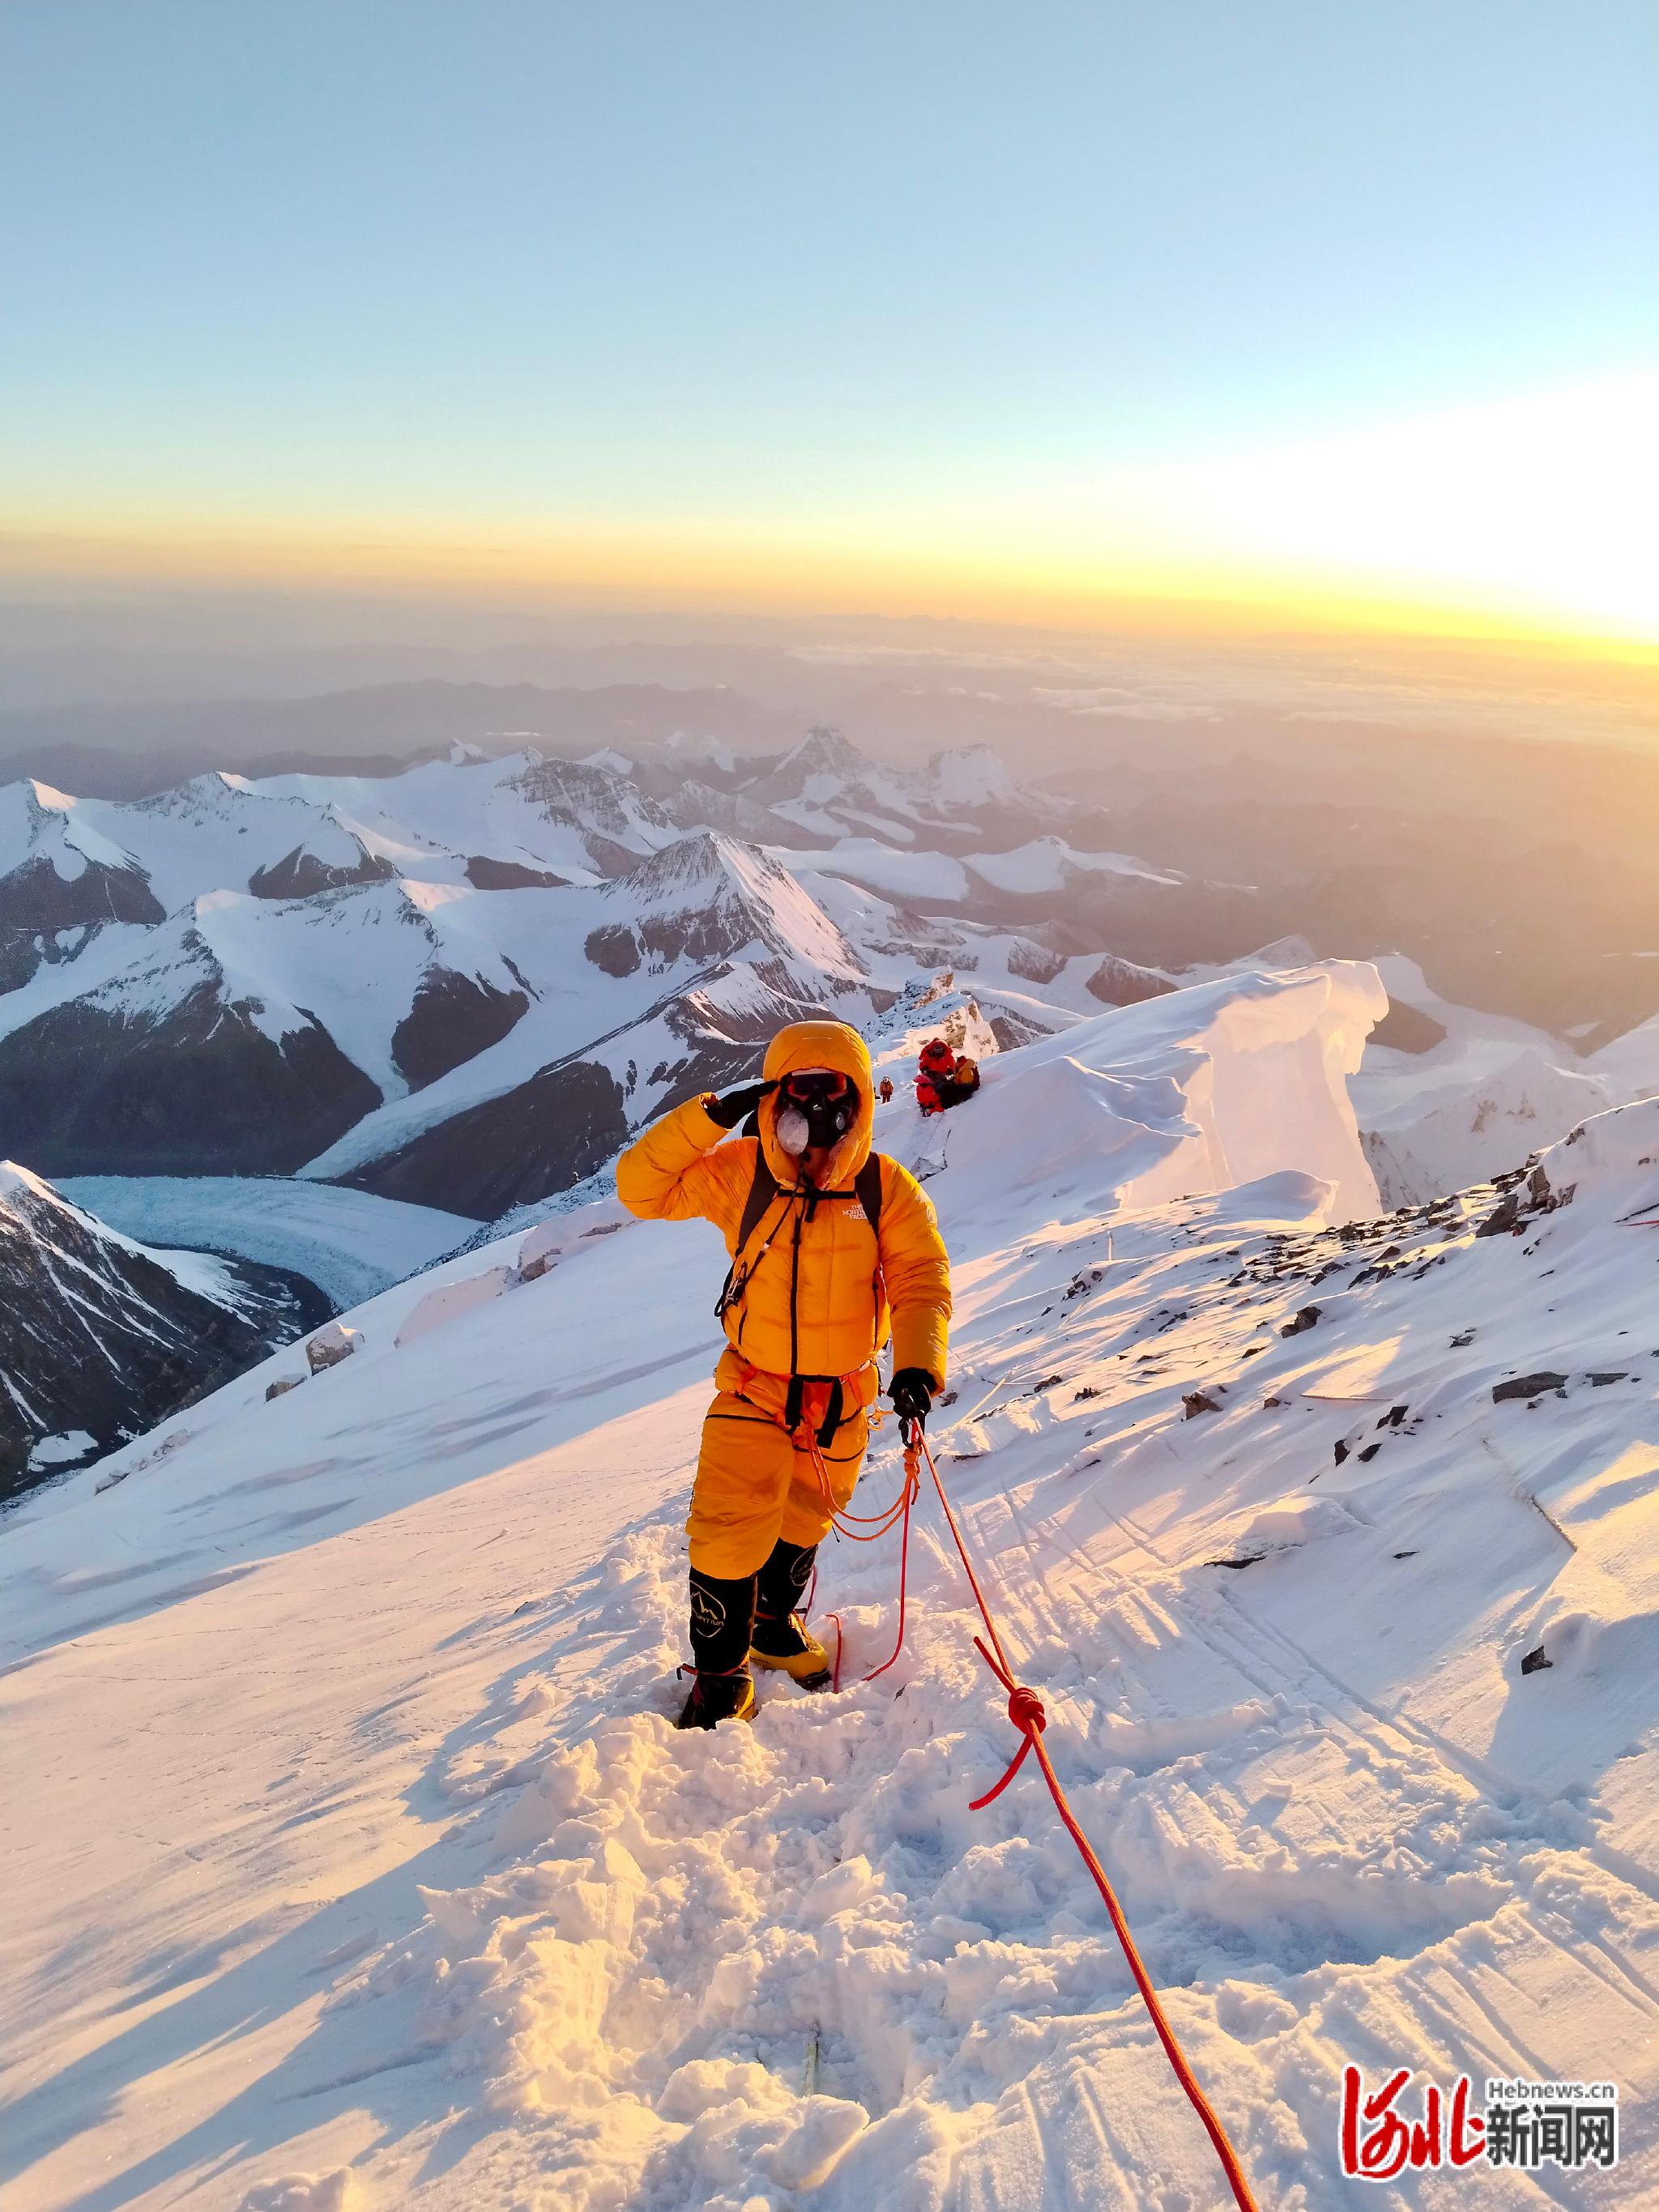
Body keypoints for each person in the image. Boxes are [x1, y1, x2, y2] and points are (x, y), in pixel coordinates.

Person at [616, 1019, 952, 1728]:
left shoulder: (883, 1187)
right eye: (800, 1095)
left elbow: (922, 1278)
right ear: (777, 1099)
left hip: (844, 1398)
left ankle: (771, 1627)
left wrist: (918, 1366)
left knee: (803, 1518)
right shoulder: (744, 1173)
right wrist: (710, 1115)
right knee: (727, 1526)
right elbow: (639, 1189)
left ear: (858, 1100)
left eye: (835, 1096)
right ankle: (720, 1677)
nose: (818, 1115)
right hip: (754, 1385)